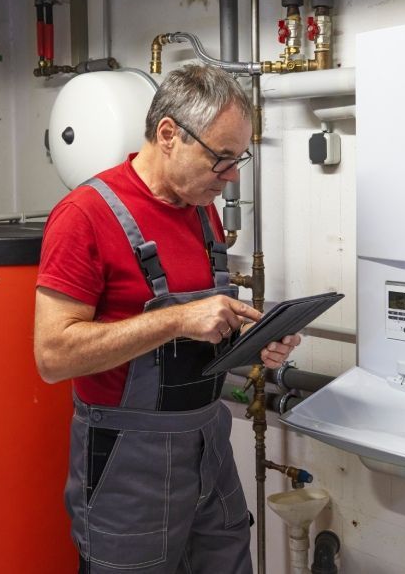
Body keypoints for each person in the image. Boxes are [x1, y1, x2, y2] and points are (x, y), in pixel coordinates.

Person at [34, 64, 301, 574]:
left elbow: (204, 322)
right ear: (169, 134)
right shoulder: (84, 216)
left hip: (209, 446)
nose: (232, 177)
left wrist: (252, 337)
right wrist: (177, 320)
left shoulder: (202, 210)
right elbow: (53, 355)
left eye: (238, 159)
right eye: (221, 160)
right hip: (127, 462)